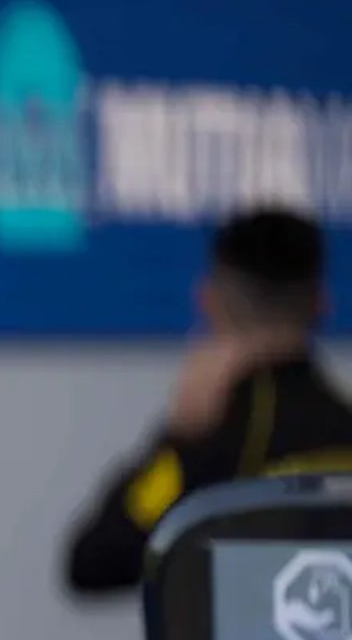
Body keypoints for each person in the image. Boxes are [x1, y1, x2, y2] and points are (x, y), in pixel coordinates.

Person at [66, 207, 352, 594]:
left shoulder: (206, 440)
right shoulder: (341, 424)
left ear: (208, 300)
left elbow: (95, 562)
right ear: (322, 302)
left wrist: (179, 439)